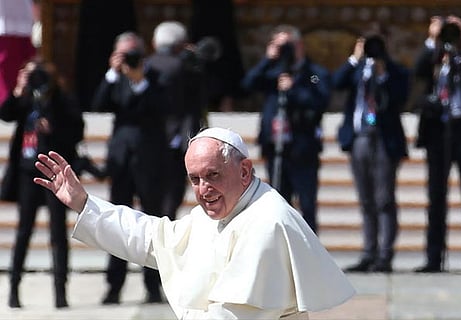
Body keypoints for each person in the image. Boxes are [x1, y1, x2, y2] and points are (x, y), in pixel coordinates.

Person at [33, 127, 355, 319]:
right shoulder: (222, 211)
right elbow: (152, 239)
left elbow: (232, 315)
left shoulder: (267, 224)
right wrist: (84, 204)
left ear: (245, 171)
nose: (203, 190)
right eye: (195, 179)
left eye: (213, 176)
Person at [90, 31, 170, 304]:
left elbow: (163, 107)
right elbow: (98, 105)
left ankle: (153, 286)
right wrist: (112, 74)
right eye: (124, 54)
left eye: (133, 53)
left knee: (153, 223)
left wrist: (140, 82)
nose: (130, 60)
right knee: (117, 223)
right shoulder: (116, 80)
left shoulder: (155, 78)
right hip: (122, 159)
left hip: (149, 158)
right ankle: (114, 286)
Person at [0, 57, 85, 308]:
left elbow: (77, 130)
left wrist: (53, 128)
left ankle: (61, 292)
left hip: (54, 173)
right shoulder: (26, 99)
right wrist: (18, 88)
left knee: (58, 232)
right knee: (24, 231)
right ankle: (14, 290)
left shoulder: (61, 100)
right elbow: (5, 114)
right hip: (28, 172)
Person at [241, 24, 330, 233]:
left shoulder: (313, 74)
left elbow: (321, 101)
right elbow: (247, 85)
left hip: (303, 147)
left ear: (300, 45)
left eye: (288, 46)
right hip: (276, 146)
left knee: (307, 203)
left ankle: (310, 253)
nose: (286, 51)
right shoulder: (272, 72)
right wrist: (267, 59)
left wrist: (294, 90)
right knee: (279, 202)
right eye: (281, 46)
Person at [332, 33, 410, 273]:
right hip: (359, 138)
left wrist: (382, 72)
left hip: (385, 140)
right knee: (366, 199)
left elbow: (401, 96)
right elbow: (333, 83)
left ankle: (385, 256)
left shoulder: (395, 71)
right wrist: (354, 59)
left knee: (384, 199)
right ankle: (368, 253)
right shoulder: (356, 71)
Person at [412, 15, 461, 273]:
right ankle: (433, 257)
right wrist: (433, 38)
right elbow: (417, 70)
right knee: (436, 197)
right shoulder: (434, 58)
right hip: (437, 133)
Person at [144, 20, 207, 221]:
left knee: (152, 194)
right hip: (178, 137)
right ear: (181, 44)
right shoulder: (184, 67)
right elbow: (201, 97)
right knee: (172, 192)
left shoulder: (144, 65)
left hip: (150, 138)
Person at [0, 0, 37, 104]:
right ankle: (6, 100)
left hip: (22, 9)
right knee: (6, 59)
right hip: (4, 12)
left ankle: (24, 97)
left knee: (25, 57)